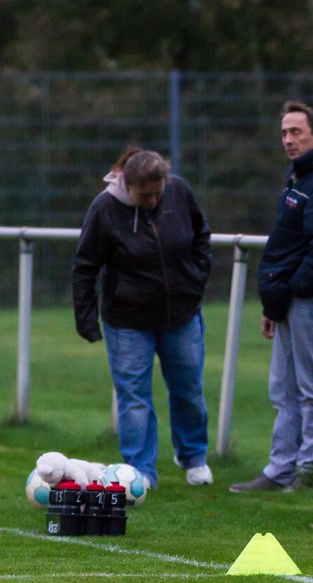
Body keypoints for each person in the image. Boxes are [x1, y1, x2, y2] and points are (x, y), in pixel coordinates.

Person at [231, 100, 313, 493]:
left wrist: (294, 290)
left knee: (309, 387)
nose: (288, 139)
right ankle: (280, 469)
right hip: (290, 300)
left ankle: (308, 469)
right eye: (284, 133)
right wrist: (276, 302)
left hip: (310, 299)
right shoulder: (300, 179)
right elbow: (288, 246)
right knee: (282, 389)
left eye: (296, 132)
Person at [72, 148, 213, 489]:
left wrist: (194, 281)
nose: (152, 200)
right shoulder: (105, 208)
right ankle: (140, 471)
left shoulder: (179, 191)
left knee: (189, 389)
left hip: (181, 314)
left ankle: (193, 456)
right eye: (143, 195)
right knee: (134, 396)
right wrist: (86, 317)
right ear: (126, 184)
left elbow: (201, 236)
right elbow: (85, 266)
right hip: (127, 321)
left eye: (157, 193)